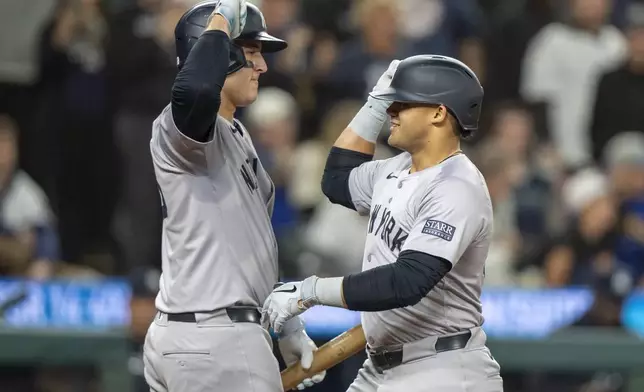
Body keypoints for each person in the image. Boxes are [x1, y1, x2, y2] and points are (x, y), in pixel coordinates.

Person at [263, 55, 503, 391]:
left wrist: (311, 291)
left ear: (438, 112)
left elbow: (406, 282)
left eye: (403, 102)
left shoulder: (457, 185)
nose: (393, 111)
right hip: (382, 366)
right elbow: (336, 178)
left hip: (442, 369)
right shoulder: (395, 169)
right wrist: (374, 104)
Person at [142, 1, 325, 391]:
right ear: (217, 53)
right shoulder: (181, 129)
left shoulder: (237, 136)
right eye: (251, 53)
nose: (263, 66)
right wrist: (221, 19)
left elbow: (250, 248)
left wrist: (285, 324)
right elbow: (195, 89)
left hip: (210, 336)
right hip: (215, 339)